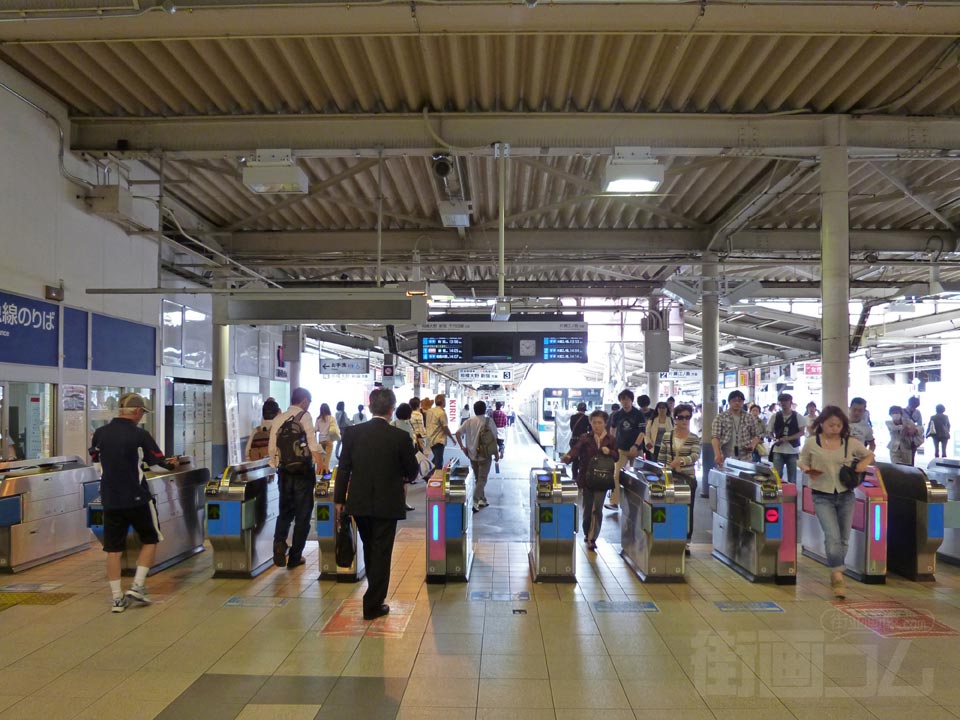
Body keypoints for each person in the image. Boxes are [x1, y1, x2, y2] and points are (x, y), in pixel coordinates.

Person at [335, 387, 418, 620]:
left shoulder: (352, 433)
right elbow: (413, 472)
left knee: (371, 547)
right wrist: (402, 475)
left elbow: (343, 469)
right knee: (381, 551)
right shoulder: (400, 437)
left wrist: (339, 500)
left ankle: (374, 595)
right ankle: (372, 604)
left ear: (370, 407)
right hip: (387, 503)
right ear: (391, 409)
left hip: (359, 502)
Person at [89, 392, 171, 613]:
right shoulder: (140, 435)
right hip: (138, 498)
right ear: (136, 411)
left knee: (113, 550)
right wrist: (172, 467)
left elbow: (97, 465)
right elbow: (157, 466)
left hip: (110, 499)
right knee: (151, 539)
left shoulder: (100, 434)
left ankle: (117, 598)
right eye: (142, 412)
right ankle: (137, 586)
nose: (142, 416)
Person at [799, 406, 875, 599]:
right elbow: (802, 460)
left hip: (846, 494)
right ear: (822, 423)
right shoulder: (812, 442)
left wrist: (863, 464)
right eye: (831, 425)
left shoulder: (850, 442)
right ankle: (837, 575)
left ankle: (836, 568)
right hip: (821, 495)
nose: (835, 428)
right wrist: (807, 469)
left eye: (839, 425)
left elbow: (869, 454)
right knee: (832, 536)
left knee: (843, 538)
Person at [268, 387, 325, 569]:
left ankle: (279, 544)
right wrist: (321, 463)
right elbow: (312, 443)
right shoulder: (304, 416)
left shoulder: (279, 418)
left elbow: (272, 447)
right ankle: (295, 557)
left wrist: (276, 464)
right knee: (303, 515)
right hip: (303, 473)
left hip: (284, 472)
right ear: (304, 401)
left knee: (285, 512)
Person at [561, 409, 618, 551]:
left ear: (605, 423)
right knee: (587, 510)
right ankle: (587, 532)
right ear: (591, 423)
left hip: (603, 479)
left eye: (600, 423)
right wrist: (568, 457)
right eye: (594, 423)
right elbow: (576, 449)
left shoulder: (611, 439)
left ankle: (593, 538)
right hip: (587, 478)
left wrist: (609, 452)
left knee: (597, 509)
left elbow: (616, 456)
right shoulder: (585, 438)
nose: (597, 425)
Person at [656, 404, 700, 555]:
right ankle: (669, 537)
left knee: (687, 509)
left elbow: (695, 455)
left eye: (687, 417)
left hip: (687, 478)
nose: (684, 420)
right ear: (675, 419)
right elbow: (661, 457)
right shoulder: (667, 436)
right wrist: (660, 473)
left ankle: (686, 541)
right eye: (681, 417)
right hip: (669, 477)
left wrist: (681, 461)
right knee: (669, 507)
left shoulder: (694, 438)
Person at [455, 401, 501, 512]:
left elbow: (457, 433)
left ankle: (482, 499)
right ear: (485, 410)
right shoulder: (489, 421)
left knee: (478, 479)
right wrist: (496, 454)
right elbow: (494, 439)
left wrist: (462, 447)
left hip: (472, 455)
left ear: (474, 410)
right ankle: (474, 501)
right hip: (485, 455)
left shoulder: (469, 421)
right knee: (482, 479)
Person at [606, 389, 646, 511]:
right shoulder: (617, 415)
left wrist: (636, 445)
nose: (625, 402)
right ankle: (614, 502)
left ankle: (639, 502)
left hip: (636, 450)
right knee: (616, 475)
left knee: (638, 477)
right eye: (623, 399)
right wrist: (612, 444)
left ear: (631, 400)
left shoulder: (638, 414)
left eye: (627, 399)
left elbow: (642, 433)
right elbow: (612, 430)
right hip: (621, 450)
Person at [712, 390, 762, 466]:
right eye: (734, 400)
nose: (737, 403)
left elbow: (756, 435)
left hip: (745, 457)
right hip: (725, 456)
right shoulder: (720, 417)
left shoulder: (749, 417)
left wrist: (753, 445)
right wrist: (717, 454)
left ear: (743, 402)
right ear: (729, 402)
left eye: (740, 401)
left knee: (744, 473)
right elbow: (715, 437)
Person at [767, 393, 803, 484]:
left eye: (786, 401)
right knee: (777, 476)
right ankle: (778, 491)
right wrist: (774, 439)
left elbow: (801, 432)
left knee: (792, 477)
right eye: (781, 401)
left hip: (792, 450)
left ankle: (791, 492)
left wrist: (788, 438)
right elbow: (769, 431)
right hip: (778, 449)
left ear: (790, 402)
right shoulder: (775, 416)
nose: (783, 403)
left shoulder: (798, 416)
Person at [392, 403, 418, 511]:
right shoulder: (408, 425)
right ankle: (403, 503)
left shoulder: (393, 423)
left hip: (394, 457)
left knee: (395, 482)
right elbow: (411, 442)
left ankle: (396, 503)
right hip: (406, 457)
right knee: (404, 482)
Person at [426, 394, 455, 471]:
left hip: (430, 439)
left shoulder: (429, 411)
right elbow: (445, 427)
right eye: (444, 401)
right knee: (438, 462)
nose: (445, 403)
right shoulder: (442, 413)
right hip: (438, 440)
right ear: (442, 402)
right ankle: (435, 476)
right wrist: (452, 438)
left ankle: (428, 472)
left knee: (436, 459)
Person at [314, 402, 339, 471]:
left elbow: (316, 429)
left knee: (321, 460)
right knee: (327, 461)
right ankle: (325, 473)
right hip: (329, 440)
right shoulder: (331, 418)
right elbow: (334, 428)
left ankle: (319, 473)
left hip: (321, 441)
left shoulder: (318, 419)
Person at [568, 402, 590, 479]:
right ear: (584, 410)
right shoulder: (587, 418)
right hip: (583, 441)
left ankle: (574, 476)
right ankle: (581, 476)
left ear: (578, 409)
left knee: (574, 459)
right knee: (583, 458)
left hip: (574, 440)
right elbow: (590, 430)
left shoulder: (572, 417)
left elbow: (571, 428)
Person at [906, 397, 923, 464]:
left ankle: (911, 466)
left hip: (914, 437)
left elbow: (920, 424)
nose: (914, 408)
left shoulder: (918, 412)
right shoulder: (902, 411)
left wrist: (915, 430)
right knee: (905, 457)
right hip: (905, 436)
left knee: (912, 455)